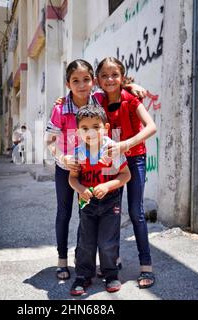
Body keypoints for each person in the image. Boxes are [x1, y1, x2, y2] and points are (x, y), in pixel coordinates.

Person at [45, 59, 147, 281]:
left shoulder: (98, 100)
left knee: (98, 216)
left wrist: (131, 86)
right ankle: (62, 261)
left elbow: (114, 87)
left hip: (96, 167)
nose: (81, 85)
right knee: (64, 212)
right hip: (68, 166)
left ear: (93, 82)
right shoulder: (60, 107)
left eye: (86, 79)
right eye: (75, 81)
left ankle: (108, 262)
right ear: (68, 83)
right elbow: (50, 140)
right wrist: (64, 157)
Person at [96, 57, 157, 289]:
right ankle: (114, 261)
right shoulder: (98, 100)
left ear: (122, 77)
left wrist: (125, 145)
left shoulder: (131, 99)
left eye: (115, 75)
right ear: (97, 80)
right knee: (112, 211)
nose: (110, 79)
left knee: (135, 211)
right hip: (111, 160)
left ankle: (146, 266)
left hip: (134, 159)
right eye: (104, 75)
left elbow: (151, 127)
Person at [68, 104, 131, 296]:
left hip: (110, 200)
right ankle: (83, 275)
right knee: (86, 240)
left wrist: (107, 186)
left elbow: (125, 175)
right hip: (87, 202)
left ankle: (110, 273)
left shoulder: (112, 150)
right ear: (78, 131)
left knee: (107, 240)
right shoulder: (78, 153)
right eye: (85, 128)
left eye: (96, 127)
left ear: (106, 128)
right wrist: (81, 188)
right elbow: (72, 178)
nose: (91, 132)